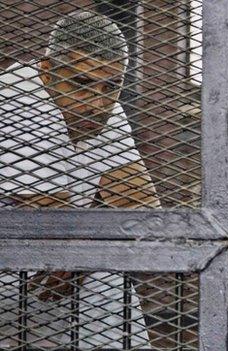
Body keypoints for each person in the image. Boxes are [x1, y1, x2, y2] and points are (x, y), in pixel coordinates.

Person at [0, 11, 159, 348]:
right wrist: (105, 216)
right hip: (13, 281)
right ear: (47, 72)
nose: (98, 104)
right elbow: (50, 231)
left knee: (110, 279)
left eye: (112, 86)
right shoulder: (16, 95)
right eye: (82, 84)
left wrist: (88, 242)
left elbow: (144, 207)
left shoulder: (104, 110)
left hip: (60, 292)